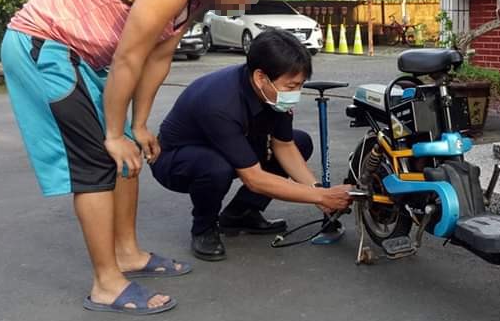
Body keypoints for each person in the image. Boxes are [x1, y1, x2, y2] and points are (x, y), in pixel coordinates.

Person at [1, 0, 273, 315]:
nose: (245, 2)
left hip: (84, 57)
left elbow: (158, 57)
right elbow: (128, 58)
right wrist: (113, 132)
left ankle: (127, 254)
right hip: (44, 46)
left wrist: (137, 125)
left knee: (127, 148)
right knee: (97, 160)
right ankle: (106, 284)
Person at [150, 29, 353, 261]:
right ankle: (204, 228)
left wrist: (319, 191)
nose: (295, 93)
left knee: (300, 142)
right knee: (216, 167)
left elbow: (284, 147)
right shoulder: (219, 102)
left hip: (228, 146)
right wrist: (321, 198)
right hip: (176, 160)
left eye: (300, 85)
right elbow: (253, 178)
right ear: (260, 78)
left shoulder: (272, 94)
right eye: (290, 87)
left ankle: (240, 214)